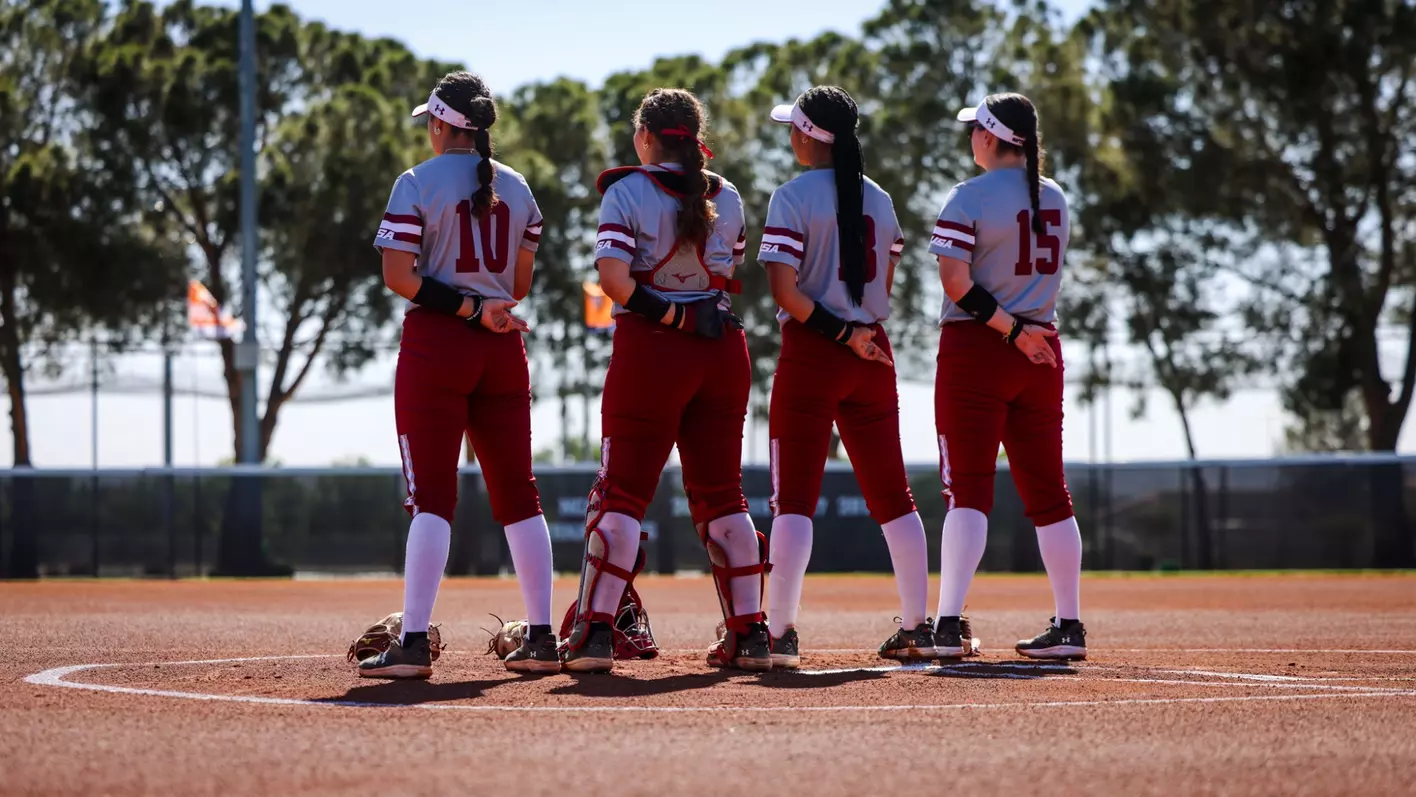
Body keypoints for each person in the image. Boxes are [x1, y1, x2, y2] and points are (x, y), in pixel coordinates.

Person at [560, 88, 771, 674]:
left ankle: (595, 633)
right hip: (723, 352)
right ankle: (751, 635)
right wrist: (692, 313)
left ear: (646, 136)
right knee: (724, 496)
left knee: (621, 494)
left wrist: (673, 316)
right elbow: (726, 275)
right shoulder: (726, 195)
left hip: (653, 352)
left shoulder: (625, 192)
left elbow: (614, 281)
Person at [359, 71, 559, 678]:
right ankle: (544, 637)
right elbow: (518, 286)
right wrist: (484, 305)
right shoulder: (520, 188)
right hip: (501, 346)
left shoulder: (415, 182)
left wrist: (466, 306)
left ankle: (414, 642)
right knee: (520, 495)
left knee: (431, 500)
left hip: (438, 345)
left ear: (443, 124)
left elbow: (399, 276)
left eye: (431, 123)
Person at [758, 86, 934, 669]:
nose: (790, 136)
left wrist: (837, 333)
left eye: (794, 127)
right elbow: (887, 276)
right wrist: (857, 332)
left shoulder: (791, 195)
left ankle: (779, 634)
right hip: (872, 352)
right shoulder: (880, 200)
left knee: (794, 502)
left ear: (810, 135)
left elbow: (786, 292)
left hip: (815, 350)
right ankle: (917, 626)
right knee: (893, 496)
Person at [930, 92, 1087, 661]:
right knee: (1050, 492)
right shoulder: (1057, 196)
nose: (971, 137)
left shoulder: (967, 196)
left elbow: (956, 282)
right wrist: (1025, 333)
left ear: (992, 138)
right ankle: (1069, 624)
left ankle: (948, 624)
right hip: (1043, 349)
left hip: (980, 347)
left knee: (967, 491)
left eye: (976, 129)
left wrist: (1007, 329)